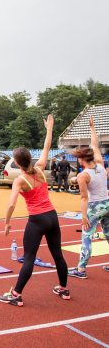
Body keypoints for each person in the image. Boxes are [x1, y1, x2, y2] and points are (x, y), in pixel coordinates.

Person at [0, 115, 69, 306]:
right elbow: (46, 147)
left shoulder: (20, 180)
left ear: (18, 164)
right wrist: (49, 129)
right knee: (58, 255)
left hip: (37, 220)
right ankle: (63, 288)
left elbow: (11, 204)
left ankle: (16, 294)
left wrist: (6, 222)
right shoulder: (39, 168)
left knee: (29, 257)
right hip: (52, 217)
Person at [68, 116, 109, 279]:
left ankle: (81, 269)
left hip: (94, 206)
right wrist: (92, 128)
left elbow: (84, 198)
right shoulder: (100, 163)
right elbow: (95, 145)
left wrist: (84, 216)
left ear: (82, 159)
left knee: (86, 237)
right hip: (107, 203)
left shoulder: (83, 175)